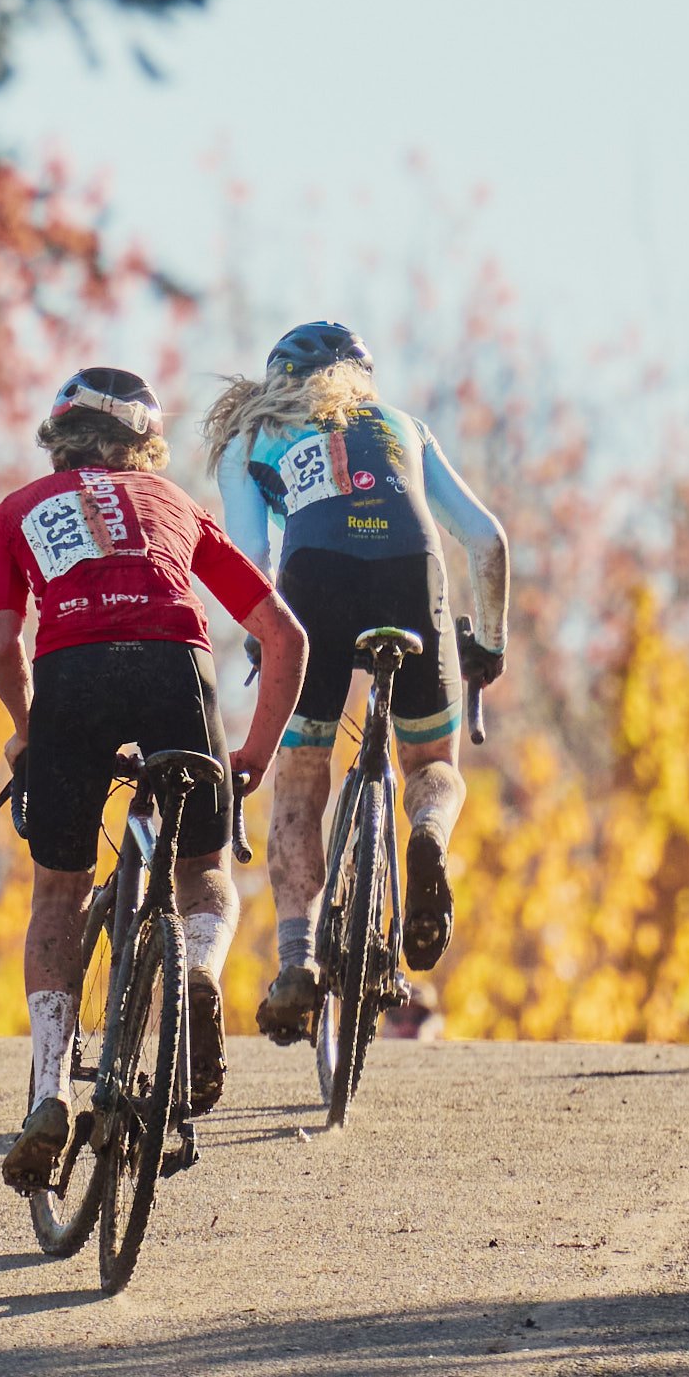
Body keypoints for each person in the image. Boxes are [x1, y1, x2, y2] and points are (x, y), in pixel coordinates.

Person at [0, 362, 308, 1194]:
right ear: (145, 444)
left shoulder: (15, 511)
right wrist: (252, 755)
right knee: (203, 871)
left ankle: (49, 1090)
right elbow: (284, 635)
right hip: (173, 665)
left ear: (59, 439)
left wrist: (28, 734)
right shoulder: (176, 504)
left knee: (58, 891)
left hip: (70, 673)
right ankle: (197, 968)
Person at [205, 319, 508, 1042]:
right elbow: (487, 540)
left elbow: (249, 558)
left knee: (300, 776)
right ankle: (426, 833)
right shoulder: (404, 426)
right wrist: (490, 645)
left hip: (314, 579)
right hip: (412, 570)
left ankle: (296, 960)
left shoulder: (251, 436)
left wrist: (265, 642)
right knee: (431, 764)